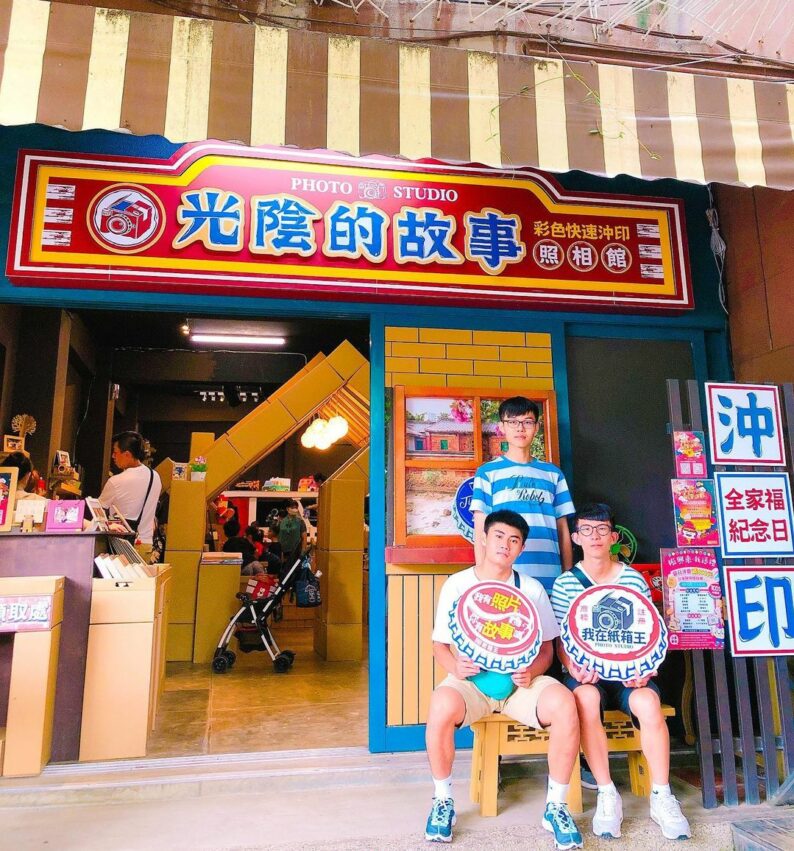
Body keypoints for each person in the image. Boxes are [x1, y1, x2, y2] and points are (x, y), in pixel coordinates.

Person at [425, 509, 582, 849]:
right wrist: (455, 667)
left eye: (514, 540)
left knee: (564, 704)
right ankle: (442, 800)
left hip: (520, 684)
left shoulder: (531, 589)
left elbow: (547, 648)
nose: (505, 545)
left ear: (521, 548)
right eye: (498, 536)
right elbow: (439, 645)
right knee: (440, 705)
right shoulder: (458, 584)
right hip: (471, 682)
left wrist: (533, 671)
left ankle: (556, 806)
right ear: (483, 538)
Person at [550, 503, 691, 841]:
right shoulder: (565, 583)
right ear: (575, 537)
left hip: (630, 674)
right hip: (587, 674)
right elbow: (558, 639)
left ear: (614, 537)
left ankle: (662, 795)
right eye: (586, 530)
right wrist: (572, 667)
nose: (595, 536)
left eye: (602, 530)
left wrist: (646, 668)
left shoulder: (631, 578)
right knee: (584, 699)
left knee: (648, 703)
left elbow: (648, 630)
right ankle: (606, 792)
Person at [470, 397, 574, 592]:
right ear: (502, 427)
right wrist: (485, 581)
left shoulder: (553, 474)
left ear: (537, 427)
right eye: (512, 422)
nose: (520, 428)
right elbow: (480, 531)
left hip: (551, 579)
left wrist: (568, 578)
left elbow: (563, 530)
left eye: (527, 422)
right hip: (503, 580)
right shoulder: (487, 473)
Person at [98, 431, 162, 560]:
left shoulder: (116, 481)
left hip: (122, 544)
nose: (113, 456)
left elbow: (97, 510)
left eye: (116, 452)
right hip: (145, 544)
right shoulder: (154, 476)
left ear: (127, 454)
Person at [278, 499, 307, 570]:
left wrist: (302, 552)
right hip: (284, 552)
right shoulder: (282, 522)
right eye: (293, 507)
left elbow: (304, 538)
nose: (295, 509)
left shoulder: (300, 522)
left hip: (296, 552)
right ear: (287, 509)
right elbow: (280, 537)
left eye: (296, 507)